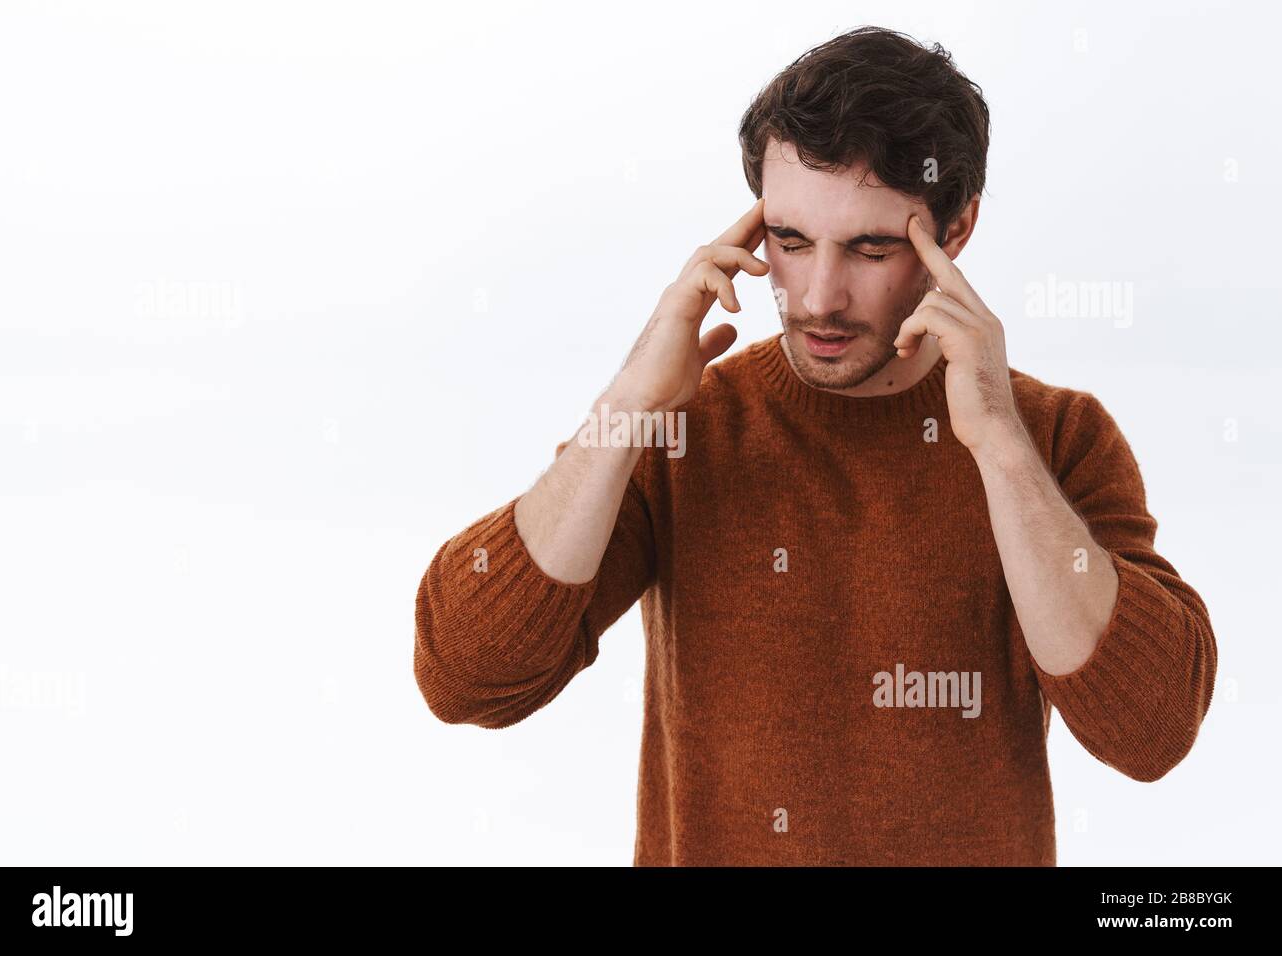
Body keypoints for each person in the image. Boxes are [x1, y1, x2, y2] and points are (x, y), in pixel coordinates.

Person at [413, 26, 1217, 866]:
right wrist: (628, 406)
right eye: (790, 243)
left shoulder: (1056, 438)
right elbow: (467, 675)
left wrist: (1001, 449)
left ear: (958, 227)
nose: (820, 297)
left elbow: (1151, 731)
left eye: (870, 249)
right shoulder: (683, 428)